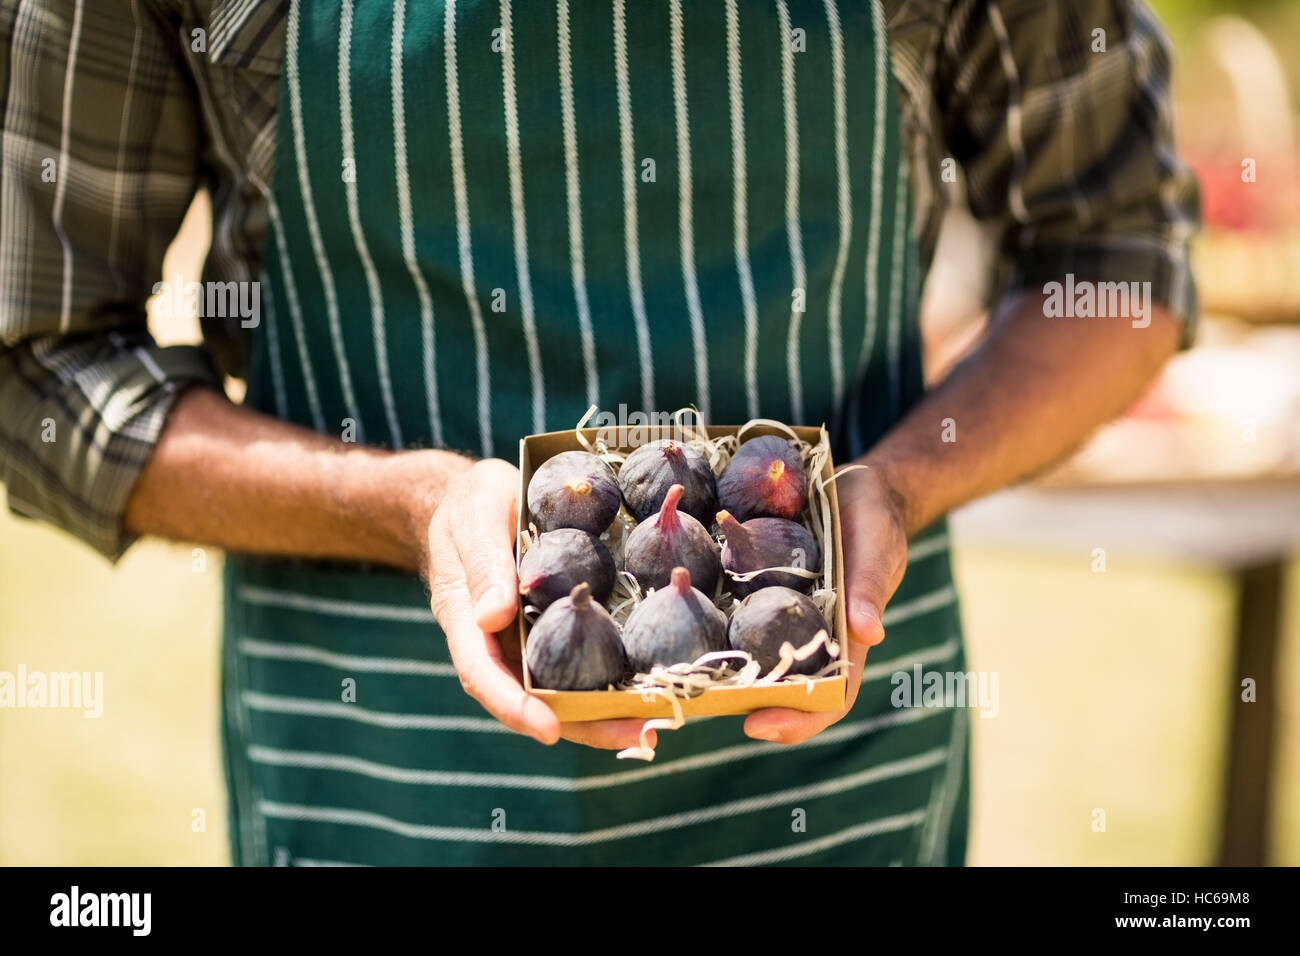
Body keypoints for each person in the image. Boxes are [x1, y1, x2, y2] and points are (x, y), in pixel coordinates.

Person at [0, 0, 1198, 866]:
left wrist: (900, 484)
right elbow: (40, 357)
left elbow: (1120, 257)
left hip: (840, 797)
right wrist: (401, 506)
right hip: (384, 798)